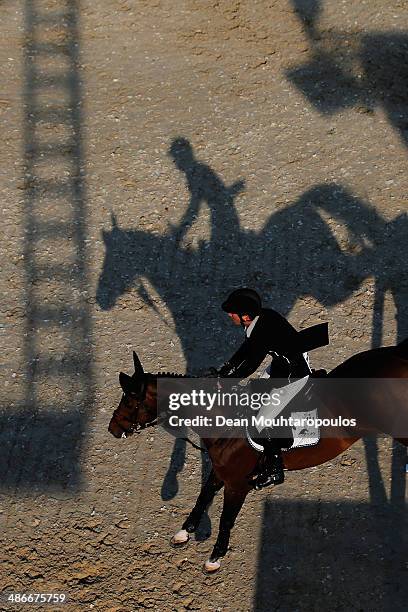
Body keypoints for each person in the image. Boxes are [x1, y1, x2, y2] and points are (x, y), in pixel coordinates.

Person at [217, 288, 312, 489]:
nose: (229, 315)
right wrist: (227, 368)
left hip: (292, 372)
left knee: (263, 416)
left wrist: (227, 379)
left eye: (232, 312)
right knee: (254, 394)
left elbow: (250, 363)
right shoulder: (260, 319)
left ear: (245, 316)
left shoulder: (262, 330)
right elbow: (246, 349)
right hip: (283, 363)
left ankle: (274, 469)